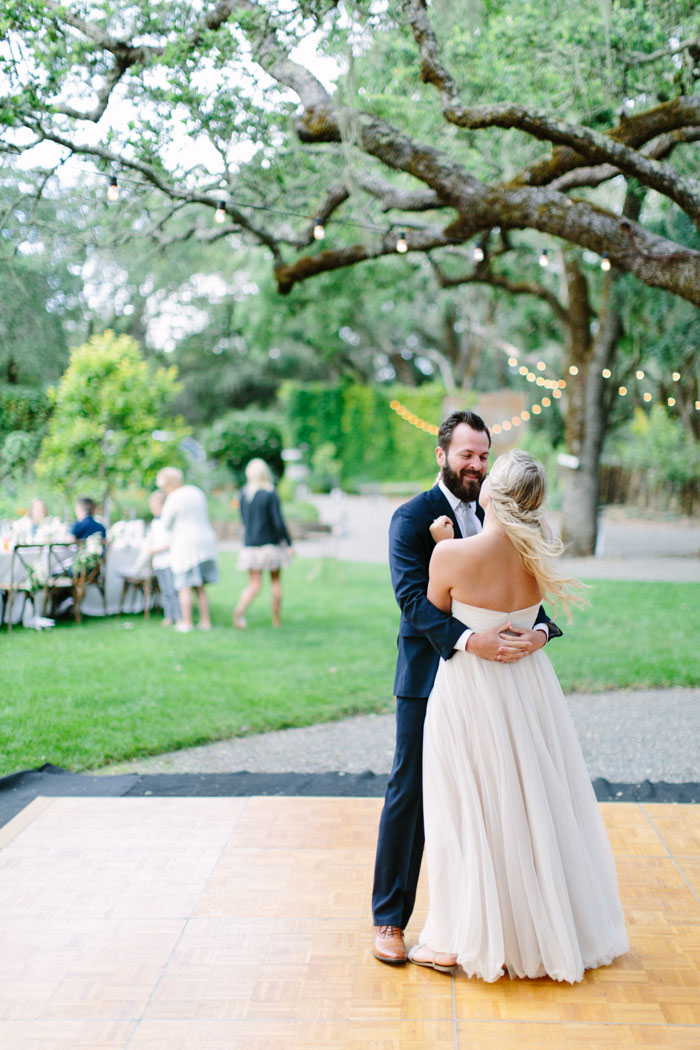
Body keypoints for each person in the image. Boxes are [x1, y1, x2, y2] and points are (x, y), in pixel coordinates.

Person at [409, 449, 628, 981]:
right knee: (530, 810)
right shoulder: (538, 557)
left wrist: (447, 547)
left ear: (492, 493)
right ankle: (536, 931)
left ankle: (456, 939)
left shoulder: (450, 556)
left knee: (463, 812)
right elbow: (534, 616)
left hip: (470, 692)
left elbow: (437, 615)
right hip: (528, 693)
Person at [372, 410, 561, 966]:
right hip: (429, 678)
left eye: (483, 456)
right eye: (466, 455)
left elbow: (534, 594)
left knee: (494, 795)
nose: (476, 465)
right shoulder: (412, 519)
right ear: (442, 455)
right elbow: (412, 605)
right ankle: (389, 921)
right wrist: (468, 640)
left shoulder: (501, 510)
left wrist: (544, 630)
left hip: (490, 684)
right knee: (411, 792)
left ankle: (485, 924)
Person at [157, 467, 217, 633]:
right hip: (205, 543)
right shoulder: (196, 492)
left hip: (186, 546)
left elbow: (166, 523)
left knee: (184, 586)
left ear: (168, 483)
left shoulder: (174, 498)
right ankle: (205, 621)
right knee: (200, 586)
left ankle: (187, 622)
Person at [234, 458, 293, 629]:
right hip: (270, 545)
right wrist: (288, 543)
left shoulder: (245, 493)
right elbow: (278, 521)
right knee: (275, 583)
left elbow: (244, 520)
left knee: (254, 585)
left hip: (250, 545)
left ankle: (240, 610)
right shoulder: (270, 492)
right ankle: (276, 620)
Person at [139, 490, 182, 625]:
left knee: (172, 590)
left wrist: (155, 549)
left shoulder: (168, 522)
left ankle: (179, 617)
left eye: (155, 506)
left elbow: (172, 541)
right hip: (158, 562)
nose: (153, 509)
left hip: (169, 561)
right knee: (165, 591)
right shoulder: (155, 522)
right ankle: (169, 616)